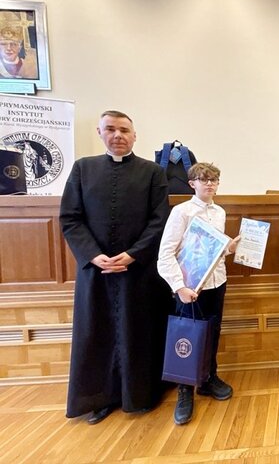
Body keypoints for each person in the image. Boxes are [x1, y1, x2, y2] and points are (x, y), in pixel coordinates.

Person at [60, 110, 171, 424]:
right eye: (110, 129)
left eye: (124, 130)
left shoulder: (153, 172)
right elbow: (70, 218)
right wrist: (93, 255)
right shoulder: (83, 169)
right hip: (96, 271)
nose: (118, 135)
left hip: (139, 271)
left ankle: (141, 395)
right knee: (97, 332)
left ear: (135, 136)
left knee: (141, 330)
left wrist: (134, 254)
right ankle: (100, 398)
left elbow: (159, 220)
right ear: (100, 133)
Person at [157, 162, 240, 425]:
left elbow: (213, 250)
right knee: (188, 338)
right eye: (204, 180)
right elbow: (165, 254)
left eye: (214, 180)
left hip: (217, 282)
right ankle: (185, 390)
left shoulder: (220, 212)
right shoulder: (181, 212)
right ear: (192, 183)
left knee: (212, 333)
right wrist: (179, 287)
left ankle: (207, 379)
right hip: (190, 288)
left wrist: (230, 248)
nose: (210, 184)